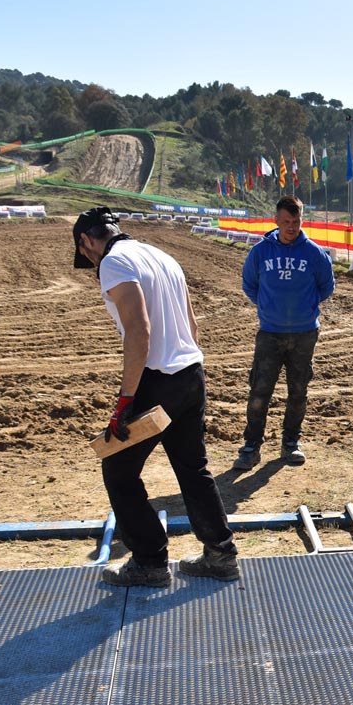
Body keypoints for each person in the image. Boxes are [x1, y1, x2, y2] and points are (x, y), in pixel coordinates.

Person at [71, 206, 238, 586]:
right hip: (191, 375)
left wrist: (126, 401)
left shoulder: (114, 263)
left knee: (119, 471)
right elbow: (192, 326)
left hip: (156, 380)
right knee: (193, 469)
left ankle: (149, 561)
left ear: (87, 242)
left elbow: (139, 331)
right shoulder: (162, 256)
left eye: (84, 252)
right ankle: (221, 554)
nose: (87, 259)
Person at [234, 196, 335, 471]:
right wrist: (269, 307)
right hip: (270, 332)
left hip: (304, 334)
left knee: (298, 391)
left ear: (302, 220)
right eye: (286, 221)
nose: (291, 227)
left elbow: (326, 286)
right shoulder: (260, 252)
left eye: (296, 221)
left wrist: (304, 308)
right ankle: (251, 446)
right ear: (276, 220)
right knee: (259, 392)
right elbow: (249, 285)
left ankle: (290, 443)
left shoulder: (314, 253)